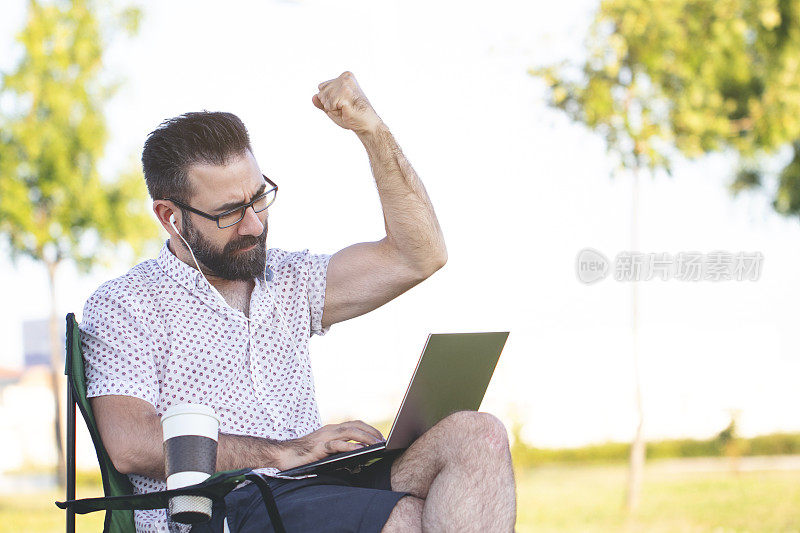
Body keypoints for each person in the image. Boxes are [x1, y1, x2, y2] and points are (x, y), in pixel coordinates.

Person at [80, 71, 517, 533]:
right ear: (171, 217)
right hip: (226, 505)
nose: (253, 224)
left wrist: (371, 130)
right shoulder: (125, 305)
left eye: (259, 198)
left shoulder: (291, 279)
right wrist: (282, 452)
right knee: (406, 517)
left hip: (319, 485)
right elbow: (130, 443)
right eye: (229, 212)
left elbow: (420, 254)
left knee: (479, 437)